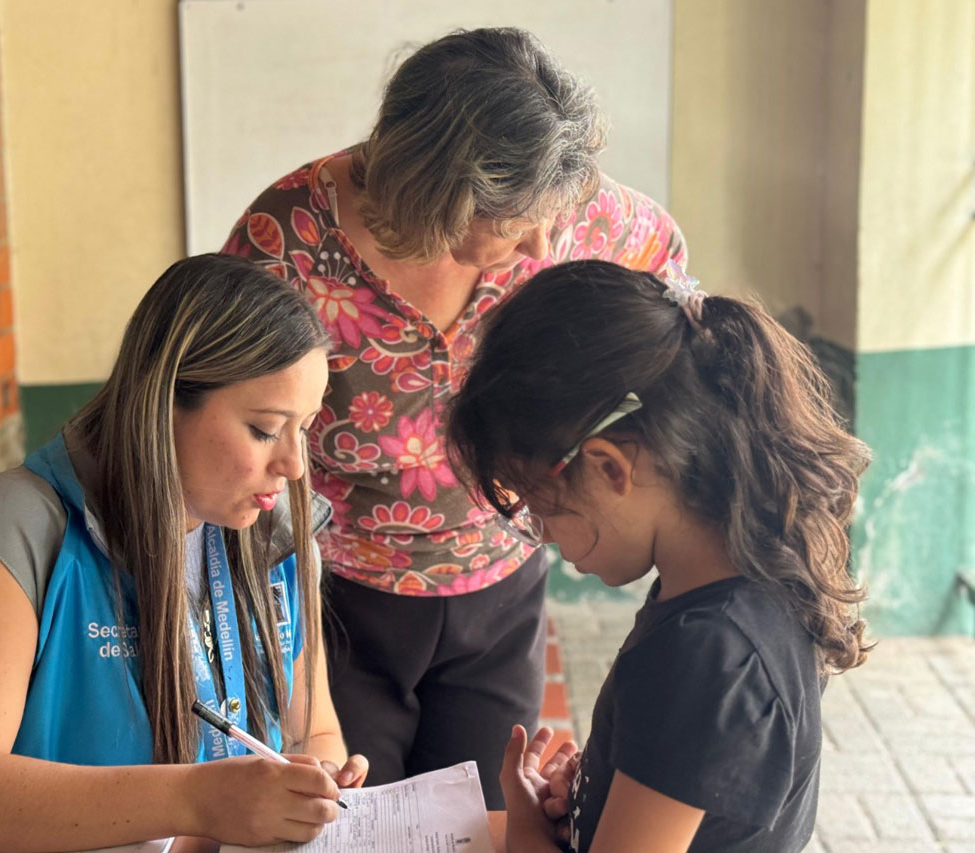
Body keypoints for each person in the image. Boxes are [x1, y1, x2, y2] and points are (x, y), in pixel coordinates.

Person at [223, 26, 686, 807]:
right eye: (514, 222)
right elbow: (228, 424)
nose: (545, 242)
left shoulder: (576, 214)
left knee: (485, 817)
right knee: (354, 815)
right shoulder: (289, 244)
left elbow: (681, 316)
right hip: (340, 593)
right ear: (436, 191)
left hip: (502, 581)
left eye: (554, 215)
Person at [0, 254, 367, 852]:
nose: (294, 466)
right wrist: (194, 800)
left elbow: (312, 733)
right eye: (265, 428)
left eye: (305, 427)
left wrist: (313, 790)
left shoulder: (274, 532)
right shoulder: (19, 528)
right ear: (163, 403)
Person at [447, 259, 872, 852]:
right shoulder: (737, 580)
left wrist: (524, 828)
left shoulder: (706, 654)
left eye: (541, 511)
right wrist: (599, 799)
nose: (543, 538)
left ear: (608, 467)